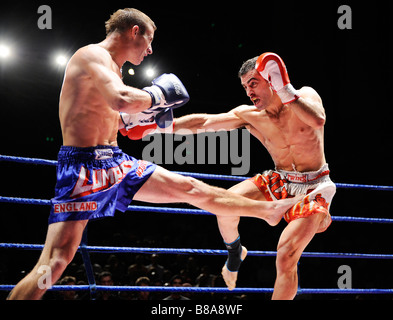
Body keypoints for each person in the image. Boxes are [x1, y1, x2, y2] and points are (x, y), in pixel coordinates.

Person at [7, 9, 299, 300]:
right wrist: (158, 95)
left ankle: (268, 211)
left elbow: (114, 119)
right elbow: (121, 99)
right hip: (83, 167)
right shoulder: (90, 56)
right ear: (134, 31)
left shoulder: (114, 68)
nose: (150, 50)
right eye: (149, 40)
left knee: (190, 187)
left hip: (115, 161)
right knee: (56, 262)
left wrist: (141, 119)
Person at [151, 52, 336, 300]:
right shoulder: (250, 116)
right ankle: (235, 252)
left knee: (287, 255)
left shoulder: (306, 96)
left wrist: (285, 89)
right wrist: (163, 127)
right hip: (280, 179)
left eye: (253, 83)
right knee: (223, 203)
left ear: (271, 78)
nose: (249, 92)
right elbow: (205, 122)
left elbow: (318, 119)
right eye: (245, 87)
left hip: (315, 185)